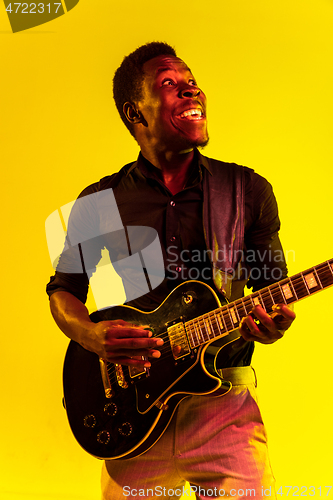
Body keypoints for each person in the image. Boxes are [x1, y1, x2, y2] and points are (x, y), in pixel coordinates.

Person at [46, 42, 296, 499]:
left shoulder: (247, 190)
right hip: (132, 416)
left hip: (224, 409)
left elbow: (272, 291)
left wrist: (272, 324)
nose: (191, 88)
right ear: (135, 112)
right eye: (170, 84)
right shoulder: (100, 201)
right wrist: (90, 335)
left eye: (191, 80)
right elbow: (63, 291)